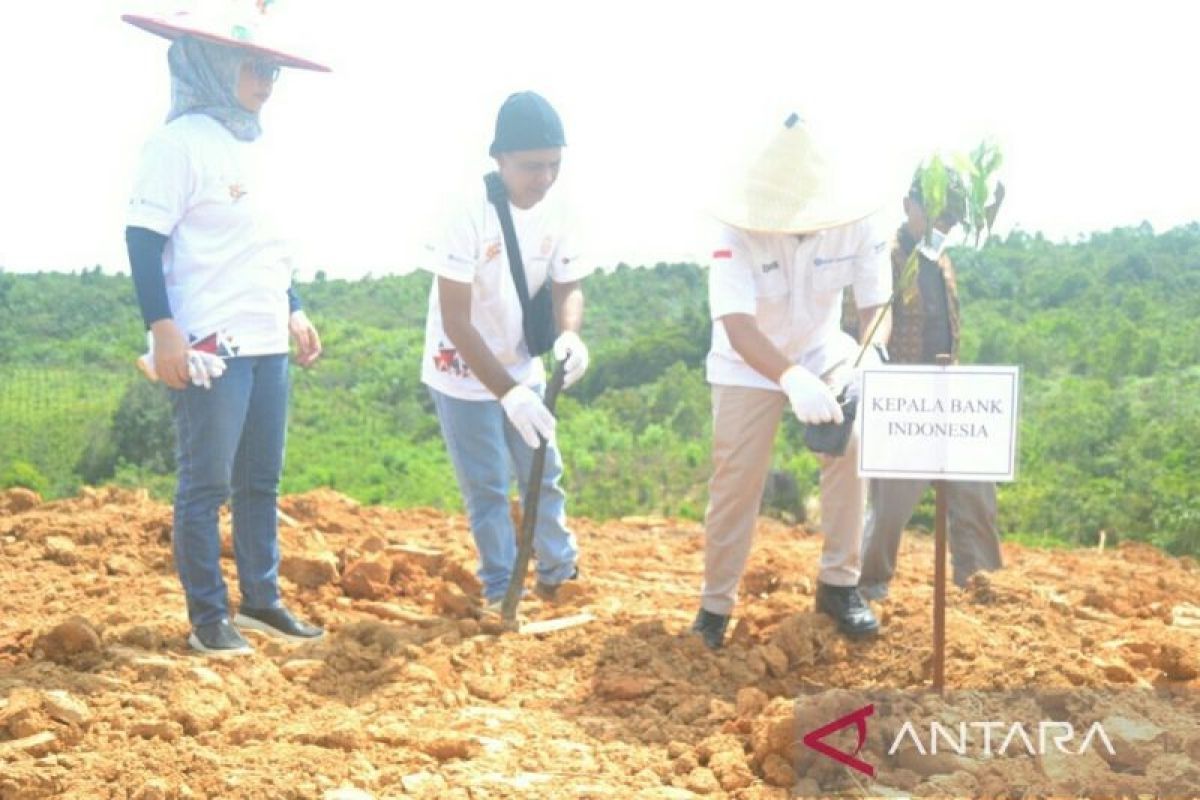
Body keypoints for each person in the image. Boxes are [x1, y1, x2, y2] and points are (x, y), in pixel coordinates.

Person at [123, 2, 327, 655]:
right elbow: (142, 239)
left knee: (260, 482)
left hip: (267, 338)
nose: (268, 78)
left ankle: (261, 601)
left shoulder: (257, 145)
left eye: (274, 68)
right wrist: (163, 331)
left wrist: (294, 305)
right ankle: (209, 618)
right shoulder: (176, 145)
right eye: (255, 65)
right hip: (211, 344)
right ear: (211, 64)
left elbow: (265, 247)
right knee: (206, 483)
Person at [692, 114, 892, 648]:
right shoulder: (735, 231)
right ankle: (714, 607)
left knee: (852, 447)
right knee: (738, 478)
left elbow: (875, 306)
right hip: (746, 360)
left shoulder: (860, 223)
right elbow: (737, 326)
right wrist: (789, 377)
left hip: (825, 349)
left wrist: (866, 359)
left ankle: (838, 583)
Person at [421, 91, 591, 609]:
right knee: (489, 487)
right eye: (530, 166)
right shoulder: (466, 213)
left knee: (543, 469)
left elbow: (569, 283)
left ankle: (560, 573)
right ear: (499, 160)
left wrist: (570, 332)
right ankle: (500, 586)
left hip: (523, 364)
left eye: (553, 165)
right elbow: (456, 319)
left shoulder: (559, 208)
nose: (543, 178)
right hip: (462, 370)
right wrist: (509, 394)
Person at [856, 170, 1005, 601]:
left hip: (949, 396)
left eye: (950, 217)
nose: (943, 224)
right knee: (890, 506)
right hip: (901, 399)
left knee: (976, 490)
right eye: (935, 212)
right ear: (908, 205)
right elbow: (861, 326)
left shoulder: (941, 260)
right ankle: (867, 587)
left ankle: (982, 584)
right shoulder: (884, 258)